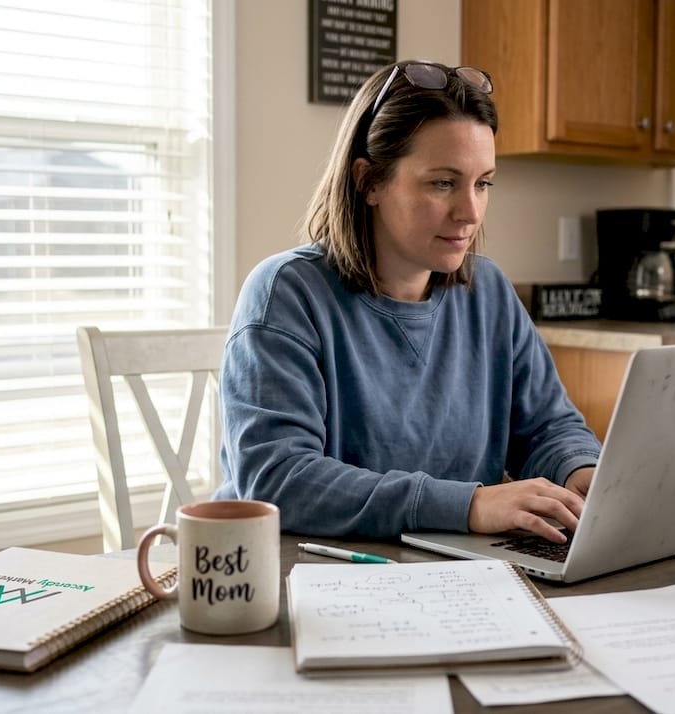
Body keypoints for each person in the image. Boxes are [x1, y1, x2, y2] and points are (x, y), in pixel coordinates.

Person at [214, 60, 600, 543]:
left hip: (449, 566)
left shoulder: (489, 291)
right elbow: (279, 480)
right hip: (304, 567)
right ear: (369, 182)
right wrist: (469, 505)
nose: (470, 211)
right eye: (443, 183)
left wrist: (579, 470)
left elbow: (547, 427)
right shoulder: (286, 293)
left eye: (482, 183)